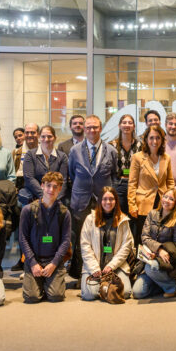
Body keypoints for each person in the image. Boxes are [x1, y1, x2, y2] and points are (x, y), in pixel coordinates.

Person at [68, 115, 118, 279]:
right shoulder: (74, 151)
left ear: (100, 128)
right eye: (88, 127)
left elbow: (115, 175)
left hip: (103, 202)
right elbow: (71, 174)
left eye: (95, 127)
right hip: (81, 201)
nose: (91, 130)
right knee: (82, 240)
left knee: (103, 238)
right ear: (84, 129)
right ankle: (81, 274)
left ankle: (103, 272)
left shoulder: (111, 151)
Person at [19, 171, 71, 303]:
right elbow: (23, 238)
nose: (51, 190)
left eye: (55, 187)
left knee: (56, 296)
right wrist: (33, 263)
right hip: (34, 260)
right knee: (31, 297)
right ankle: (39, 282)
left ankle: (48, 283)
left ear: (60, 189)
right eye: (48, 185)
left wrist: (54, 264)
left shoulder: (64, 213)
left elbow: (65, 241)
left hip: (53, 260)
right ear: (42, 186)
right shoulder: (28, 210)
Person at [80, 186, 134, 301]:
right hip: (94, 267)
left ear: (116, 201)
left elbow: (126, 247)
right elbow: (85, 246)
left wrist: (111, 266)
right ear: (100, 201)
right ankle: (106, 287)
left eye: (111, 199)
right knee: (89, 295)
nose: (108, 202)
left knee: (126, 293)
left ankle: (104, 286)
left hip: (116, 266)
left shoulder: (123, 220)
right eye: (104, 199)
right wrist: (94, 268)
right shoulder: (90, 219)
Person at [133, 188, 176, 299]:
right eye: (165, 197)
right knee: (138, 293)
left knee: (150, 268)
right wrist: (159, 250)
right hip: (149, 257)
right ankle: (160, 283)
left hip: (166, 261)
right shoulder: (152, 214)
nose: (166, 200)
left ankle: (171, 287)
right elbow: (144, 237)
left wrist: (160, 253)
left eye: (171, 199)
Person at [127, 124, 174, 245]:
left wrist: (172, 199)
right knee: (142, 237)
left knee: (160, 236)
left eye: (158, 138)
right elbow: (132, 183)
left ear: (162, 140)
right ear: (146, 139)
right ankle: (140, 263)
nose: (155, 141)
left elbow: (170, 181)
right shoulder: (137, 157)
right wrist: (132, 205)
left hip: (162, 203)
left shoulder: (166, 158)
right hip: (143, 203)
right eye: (152, 138)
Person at [21, 124, 67, 205]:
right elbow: (29, 178)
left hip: (56, 197)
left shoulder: (62, 156)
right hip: (34, 196)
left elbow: (63, 180)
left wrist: (54, 198)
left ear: (55, 138)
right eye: (43, 136)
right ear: (39, 137)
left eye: (49, 136)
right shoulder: (30, 154)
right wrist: (44, 196)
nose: (46, 139)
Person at [110, 114, 142, 219]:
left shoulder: (141, 145)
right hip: (118, 184)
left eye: (130, 123)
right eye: (124, 122)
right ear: (119, 126)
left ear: (134, 126)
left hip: (135, 185)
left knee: (134, 216)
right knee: (120, 216)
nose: (127, 125)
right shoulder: (111, 145)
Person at [13, 123, 39, 194]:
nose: (29, 135)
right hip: (22, 187)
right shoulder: (16, 153)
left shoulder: (44, 150)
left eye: (33, 132)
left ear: (38, 134)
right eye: (27, 133)